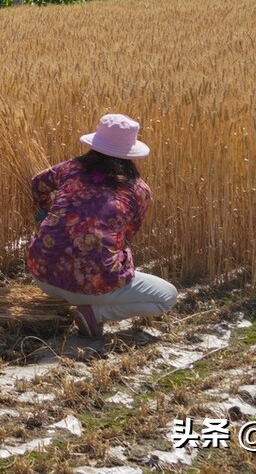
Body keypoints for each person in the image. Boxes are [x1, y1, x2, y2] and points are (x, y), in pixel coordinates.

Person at [26, 113, 177, 338]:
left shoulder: (70, 168)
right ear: (131, 151)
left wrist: (45, 211)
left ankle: (82, 301)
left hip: (42, 274)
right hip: (91, 287)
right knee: (167, 297)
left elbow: (38, 183)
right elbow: (127, 235)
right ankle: (96, 313)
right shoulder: (139, 191)